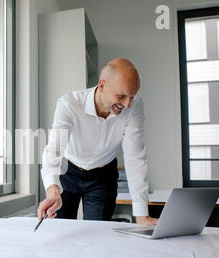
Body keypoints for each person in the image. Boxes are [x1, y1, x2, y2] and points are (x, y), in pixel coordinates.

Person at [38, 58, 158, 226]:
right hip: (68, 172)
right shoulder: (69, 104)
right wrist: (52, 190)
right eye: (121, 96)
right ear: (102, 86)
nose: (127, 104)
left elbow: (135, 157)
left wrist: (141, 215)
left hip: (103, 176)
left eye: (132, 96)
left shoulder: (134, 107)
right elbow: (54, 149)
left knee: (97, 233)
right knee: (59, 230)